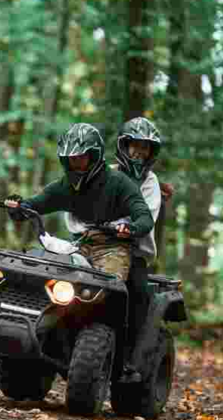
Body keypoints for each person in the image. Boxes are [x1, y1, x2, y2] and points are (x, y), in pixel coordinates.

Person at [6, 123, 153, 378]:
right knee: (52, 276)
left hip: (114, 248)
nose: (77, 164)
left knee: (111, 290)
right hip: (81, 246)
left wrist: (130, 227)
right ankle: (50, 332)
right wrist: (19, 207)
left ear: (94, 156)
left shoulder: (119, 183)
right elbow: (37, 203)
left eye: (81, 158)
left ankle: (122, 353)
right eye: (71, 159)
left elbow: (145, 217)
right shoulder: (66, 186)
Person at [63, 117, 166, 381]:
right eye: (135, 146)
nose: (139, 152)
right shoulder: (104, 172)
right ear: (124, 145)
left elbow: (147, 216)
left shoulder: (150, 182)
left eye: (146, 148)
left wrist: (122, 225)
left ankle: (130, 359)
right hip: (90, 243)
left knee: (140, 294)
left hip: (133, 251)